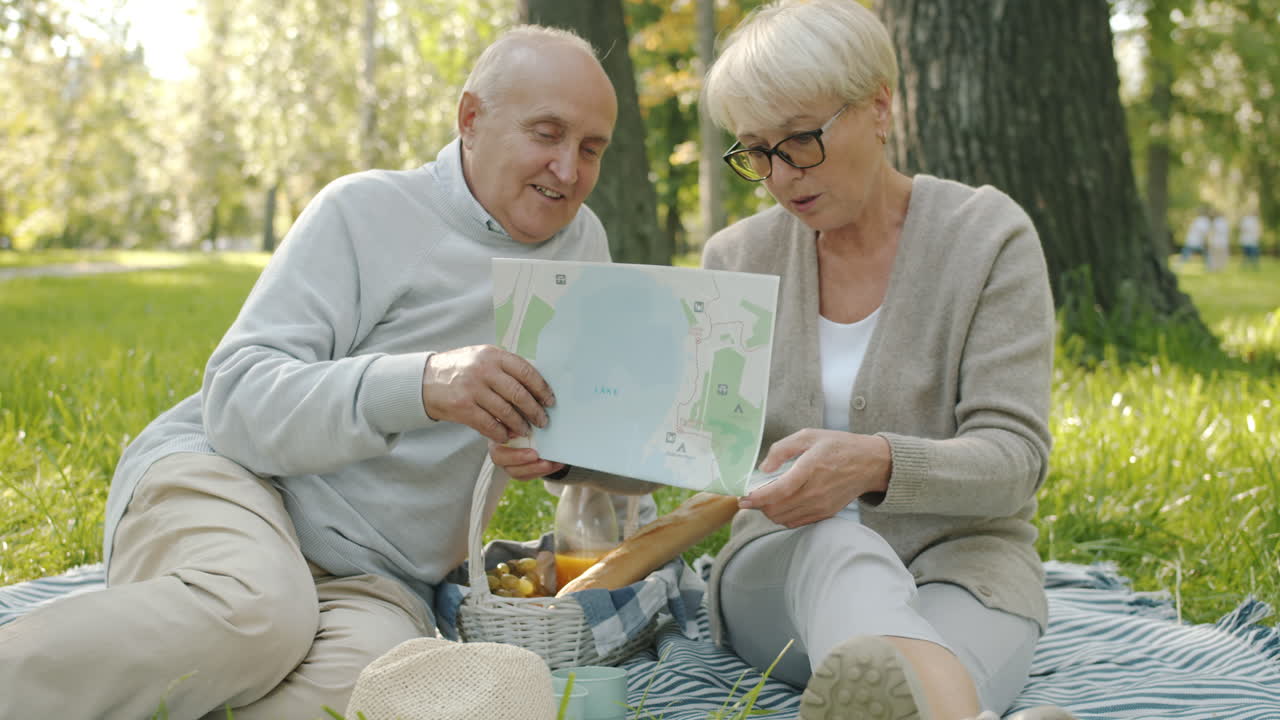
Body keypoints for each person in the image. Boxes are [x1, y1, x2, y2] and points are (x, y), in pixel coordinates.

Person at [0, 25, 655, 720]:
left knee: (374, 699)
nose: (567, 170)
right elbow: (236, 398)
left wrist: (562, 455)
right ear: (471, 120)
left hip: (381, 576)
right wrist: (423, 383)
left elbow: (618, 445)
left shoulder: (584, 248)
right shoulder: (367, 210)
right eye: (546, 134)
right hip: (236, 485)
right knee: (259, 614)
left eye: (591, 149)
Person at [701, 2, 1067, 718]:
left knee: (915, 682)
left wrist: (875, 463)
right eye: (757, 150)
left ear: (878, 108)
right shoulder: (735, 260)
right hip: (781, 569)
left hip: (965, 569)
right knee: (840, 552)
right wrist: (572, 451)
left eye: (802, 140)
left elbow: (1015, 459)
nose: (780, 176)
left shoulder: (987, 238)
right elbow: (699, 452)